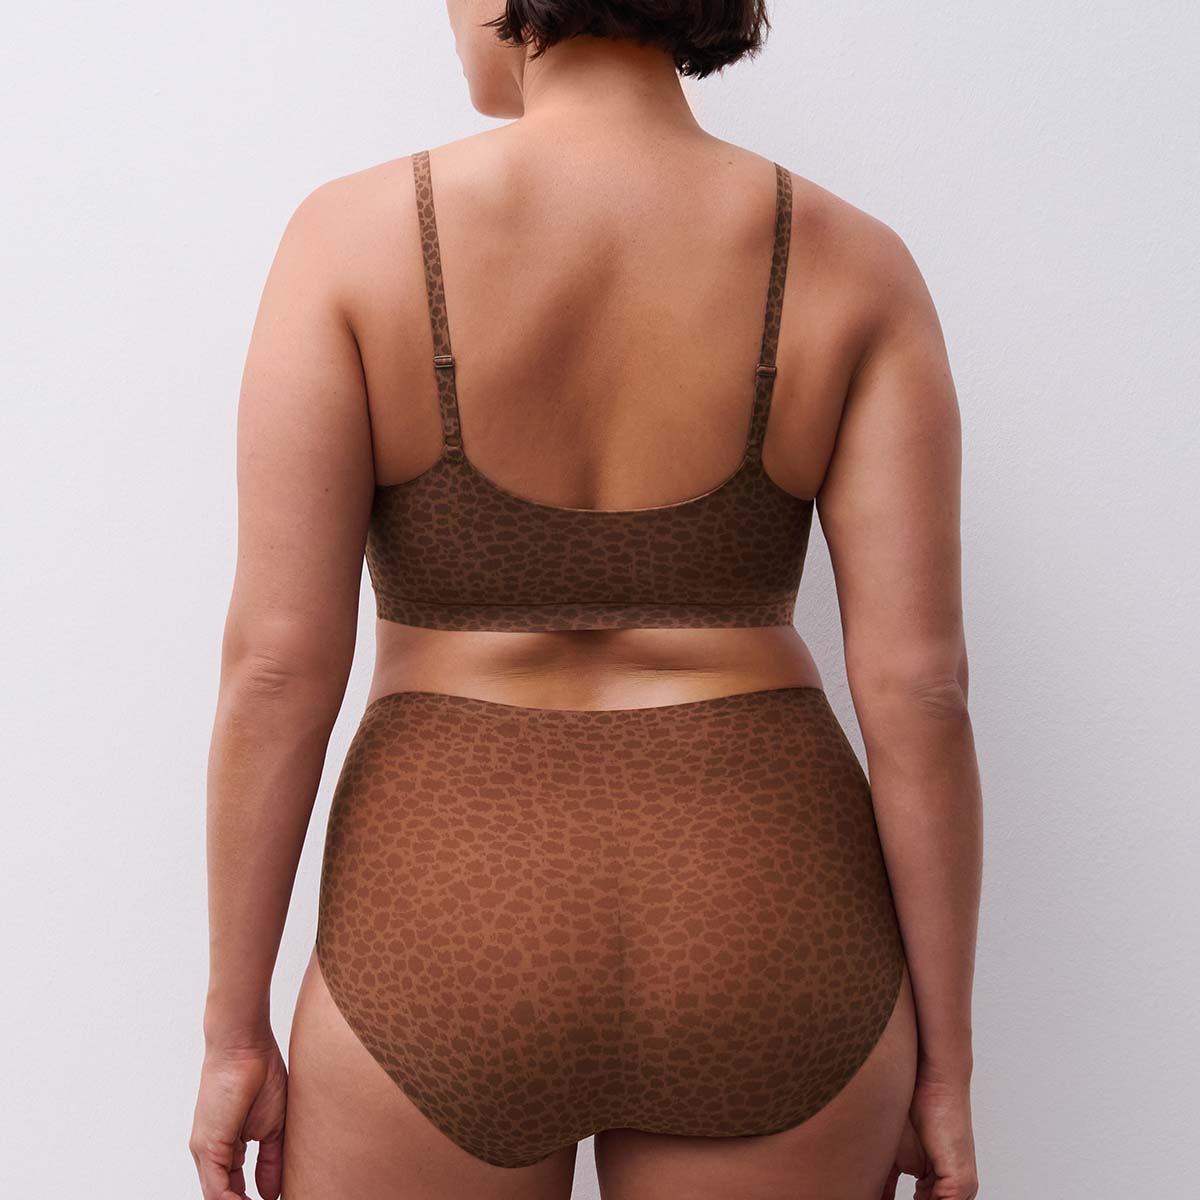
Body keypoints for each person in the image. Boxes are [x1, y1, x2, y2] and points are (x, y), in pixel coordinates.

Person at [189, 3, 983, 1198]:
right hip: (766, 911)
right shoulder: (854, 260)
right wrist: (947, 1069)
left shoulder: (350, 238)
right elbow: (921, 693)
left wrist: (233, 1034)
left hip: (446, 914)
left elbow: (275, 671)